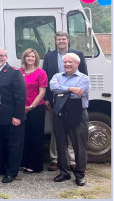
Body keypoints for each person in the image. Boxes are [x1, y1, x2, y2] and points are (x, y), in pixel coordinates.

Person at [43, 31, 88, 172]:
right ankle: (56, 160)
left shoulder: (78, 54)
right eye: (58, 39)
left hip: (74, 104)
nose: (61, 41)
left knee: (73, 132)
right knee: (57, 134)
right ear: (55, 41)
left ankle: (73, 160)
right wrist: (46, 98)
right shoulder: (49, 56)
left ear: (68, 40)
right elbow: (47, 79)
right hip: (56, 102)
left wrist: (73, 91)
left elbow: (84, 75)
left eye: (63, 39)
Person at [50, 53, 90, 186]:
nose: (67, 64)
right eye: (65, 62)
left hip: (77, 112)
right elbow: (52, 87)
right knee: (61, 144)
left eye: (70, 62)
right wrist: (70, 89)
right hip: (60, 113)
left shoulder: (84, 78)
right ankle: (64, 172)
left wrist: (62, 92)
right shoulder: (56, 76)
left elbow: (79, 93)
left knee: (79, 145)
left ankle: (79, 174)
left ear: (77, 64)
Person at [0, 47, 26, 184]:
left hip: (12, 117)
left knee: (13, 146)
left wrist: (17, 116)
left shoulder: (14, 73)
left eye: (2, 55)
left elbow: (21, 97)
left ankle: (12, 172)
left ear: (6, 57)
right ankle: (1, 169)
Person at [20, 49, 48, 173]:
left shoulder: (41, 73)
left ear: (36, 59)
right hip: (21, 109)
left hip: (36, 109)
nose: (30, 58)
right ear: (24, 58)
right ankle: (25, 162)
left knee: (35, 137)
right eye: (28, 56)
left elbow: (42, 92)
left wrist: (31, 107)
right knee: (24, 137)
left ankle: (35, 165)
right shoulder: (18, 72)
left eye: (33, 56)